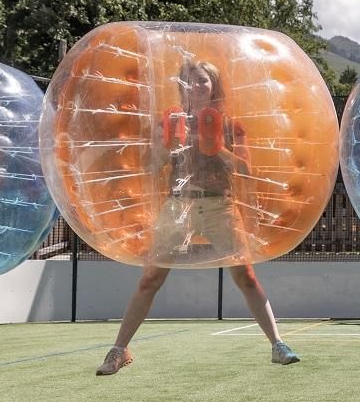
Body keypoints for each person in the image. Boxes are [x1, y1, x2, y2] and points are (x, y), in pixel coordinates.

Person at [97, 58, 299, 375]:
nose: (197, 85)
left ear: (213, 86)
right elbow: (150, 166)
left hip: (219, 205)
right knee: (151, 278)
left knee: (245, 276)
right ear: (182, 87)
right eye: (190, 80)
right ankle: (119, 349)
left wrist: (215, 146)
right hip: (178, 206)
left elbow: (245, 169)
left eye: (203, 79)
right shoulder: (169, 123)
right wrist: (169, 146)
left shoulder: (231, 125)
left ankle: (277, 344)